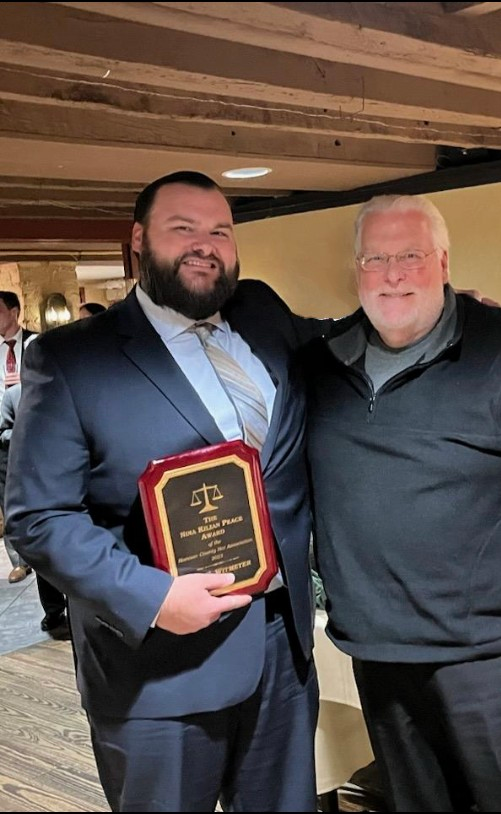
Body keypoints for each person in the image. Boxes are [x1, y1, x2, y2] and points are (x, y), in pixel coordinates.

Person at [6, 171, 322, 812]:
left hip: (283, 651)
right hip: (158, 668)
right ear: (138, 241)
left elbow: (342, 338)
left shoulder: (261, 313)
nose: (204, 245)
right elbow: (39, 517)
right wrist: (154, 599)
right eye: (183, 229)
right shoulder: (72, 359)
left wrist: (448, 309)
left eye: (219, 232)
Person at [305, 193, 501, 812]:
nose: (392, 274)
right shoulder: (319, 363)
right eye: (375, 258)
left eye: (410, 255)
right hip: (376, 651)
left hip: (485, 661)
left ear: (443, 263)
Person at [0, 381, 69, 638]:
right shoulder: (14, 395)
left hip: (64, 477)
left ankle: (77, 611)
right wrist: (22, 431)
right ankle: (54, 613)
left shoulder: (64, 389)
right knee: (43, 549)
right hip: (29, 481)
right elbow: (2, 433)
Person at [0, 291, 36, 582]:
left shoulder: (38, 343)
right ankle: (18, 561)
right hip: (3, 431)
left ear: (14, 311)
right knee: (7, 497)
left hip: (37, 428)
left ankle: (42, 553)